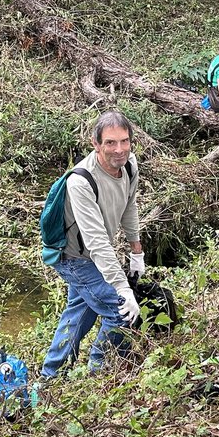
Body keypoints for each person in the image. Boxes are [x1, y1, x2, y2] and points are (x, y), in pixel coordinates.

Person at [41, 112, 145, 378]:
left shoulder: (130, 165)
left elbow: (129, 207)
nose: (119, 150)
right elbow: (97, 242)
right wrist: (122, 287)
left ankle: (51, 375)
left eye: (124, 141)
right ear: (95, 144)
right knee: (119, 311)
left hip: (93, 256)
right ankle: (101, 371)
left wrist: (137, 252)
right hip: (74, 258)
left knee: (78, 313)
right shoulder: (81, 182)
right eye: (110, 143)